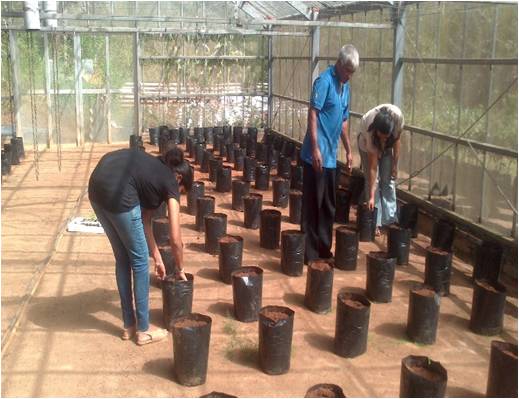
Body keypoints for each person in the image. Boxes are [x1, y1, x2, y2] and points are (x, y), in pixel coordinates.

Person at [88, 146, 193, 345]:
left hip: (96, 191)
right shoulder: (170, 180)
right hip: (118, 193)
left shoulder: (152, 170)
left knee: (123, 258)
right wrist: (180, 268)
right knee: (139, 262)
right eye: (181, 192)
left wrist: (158, 257)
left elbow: (145, 221)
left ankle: (129, 326)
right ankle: (143, 330)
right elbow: (175, 238)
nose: (177, 195)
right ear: (179, 178)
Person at [300, 44, 359, 263]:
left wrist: (349, 150)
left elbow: (343, 122)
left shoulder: (345, 87)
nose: (349, 76)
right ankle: (309, 253)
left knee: (328, 206)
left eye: (352, 73)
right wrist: (315, 148)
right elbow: (313, 114)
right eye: (347, 71)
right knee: (312, 205)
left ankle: (324, 249)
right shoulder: (324, 81)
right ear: (339, 64)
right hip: (315, 157)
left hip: (331, 159)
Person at [357, 104, 404, 235]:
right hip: (366, 145)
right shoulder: (369, 130)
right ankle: (375, 222)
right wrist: (371, 197)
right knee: (373, 181)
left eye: (387, 135)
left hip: (388, 147)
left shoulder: (398, 118)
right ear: (376, 130)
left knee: (388, 180)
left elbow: (397, 141)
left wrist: (395, 165)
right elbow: (373, 168)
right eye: (382, 135)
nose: (384, 138)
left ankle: (389, 220)